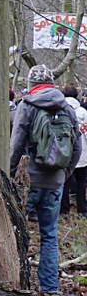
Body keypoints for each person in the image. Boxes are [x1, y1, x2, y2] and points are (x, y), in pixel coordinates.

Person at [10, 64, 81, 296]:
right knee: (49, 234)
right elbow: (77, 146)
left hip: (29, 181)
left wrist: (10, 176)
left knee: (17, 231)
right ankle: (50, 288)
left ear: (31, 85)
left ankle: (17, 285)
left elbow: (16, 145)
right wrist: (65, 173)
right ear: (52, 84)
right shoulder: (66, 108)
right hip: (55, 182)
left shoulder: (26, 106)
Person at [60, 85, 87, 217]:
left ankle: (64, 209)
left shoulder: (60, 110)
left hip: (65, 153)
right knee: (81, 183)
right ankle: (82, 209)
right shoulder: (83, 112)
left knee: (64, 182)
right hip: (82, 153)